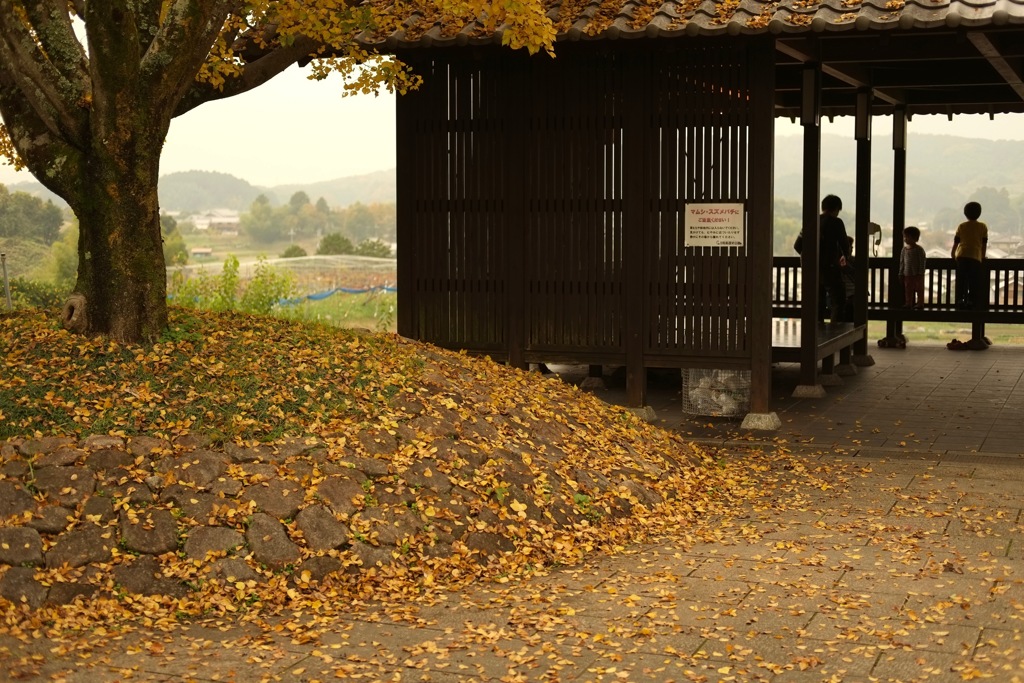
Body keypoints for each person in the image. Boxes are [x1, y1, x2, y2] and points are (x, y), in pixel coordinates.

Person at [794, 194, 852, 323]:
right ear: (836, 208)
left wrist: (811, 257)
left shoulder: (810, 222)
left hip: (811, 269)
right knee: (838, 300)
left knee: (817, 301)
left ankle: (817, 331)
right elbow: (845, 244)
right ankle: (835, 331)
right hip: (830, 268)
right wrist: (844, 257)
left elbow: (797, 246)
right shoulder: (836, 222)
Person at [951, 202, 988, 310]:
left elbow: (956, 242)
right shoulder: (982, 226)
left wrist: (953, 253)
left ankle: (960, 300)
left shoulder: (962, 226)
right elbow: (984, 243)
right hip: (975, 257)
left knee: (961, 279)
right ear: (979, 213)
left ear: (965, 213)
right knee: (973, 280)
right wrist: (982, 256)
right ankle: (972, 301)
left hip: (962, 255)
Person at [899, 226, 926, 309]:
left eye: (907, 237)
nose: (905, 239)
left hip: (917, 274)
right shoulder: (904, 250)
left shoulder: (919, 249)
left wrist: (921, 272)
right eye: (905, 237)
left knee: (919, 289)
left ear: (914, 238)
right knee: (908, 289)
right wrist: (901, 272)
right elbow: (902, 262)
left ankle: (920, 303)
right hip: (907, 274)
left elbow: (922, 262)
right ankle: (908, 303)